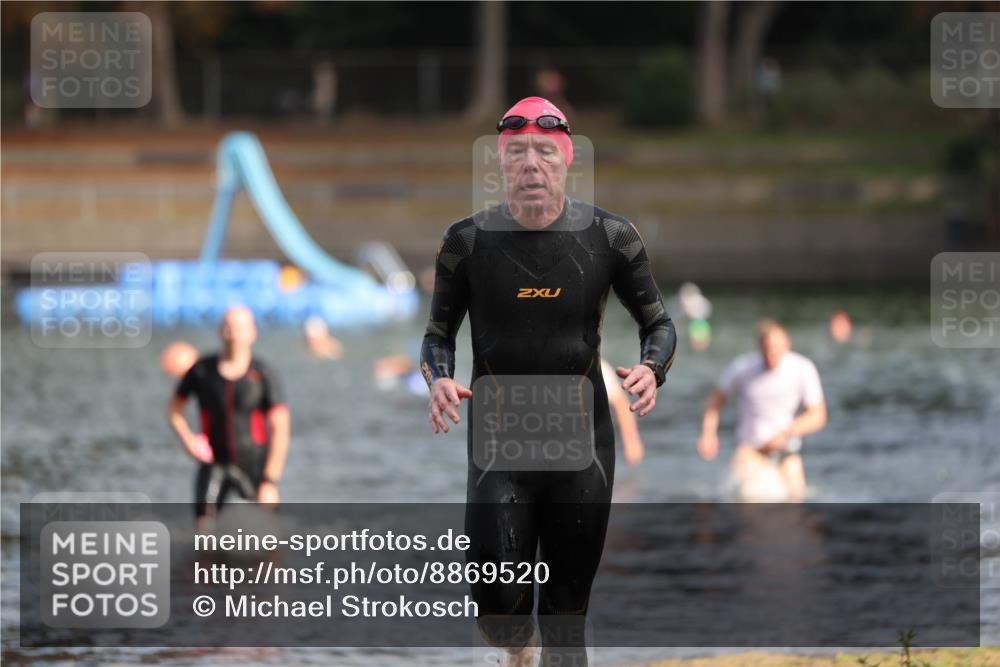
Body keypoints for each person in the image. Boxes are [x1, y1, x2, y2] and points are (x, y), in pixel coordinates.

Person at [420, 97, 676, 666]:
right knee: (494, 606)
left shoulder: (612, 237)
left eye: (544, 153)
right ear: (501, 165)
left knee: (566, 618)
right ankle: (517, 649)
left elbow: (658, 323)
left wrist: (651, 369)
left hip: (582, 448)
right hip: (498, 446)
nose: (531, 164)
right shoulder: (466, 243)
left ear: (566, 163)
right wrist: (438, 379)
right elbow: (437, 335)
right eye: (517, 153)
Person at [167, 306, 290, 526]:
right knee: (204, 533)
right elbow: (174, 410)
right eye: (228, 327)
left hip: (254, 466)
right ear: (220, 330)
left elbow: (280, 429)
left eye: (240, 328)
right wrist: (189, 441)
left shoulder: (263, 374)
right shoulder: (201, 371)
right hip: (214, 462)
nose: (234, 333)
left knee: (268, 539)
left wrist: (270, 480)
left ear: (253, 332)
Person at [696, 319, 826, 502]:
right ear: (759, 346)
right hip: (750, 451)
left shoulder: (803, 368)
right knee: (746, 506)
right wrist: (708, 433)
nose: (771, 356)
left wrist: (786, 433)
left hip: (786, 452)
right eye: (767, 350)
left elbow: (818, 416)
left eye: (776, 350)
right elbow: (715, 401)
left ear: (787, 344)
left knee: (797, 508)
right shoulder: (743, 368)